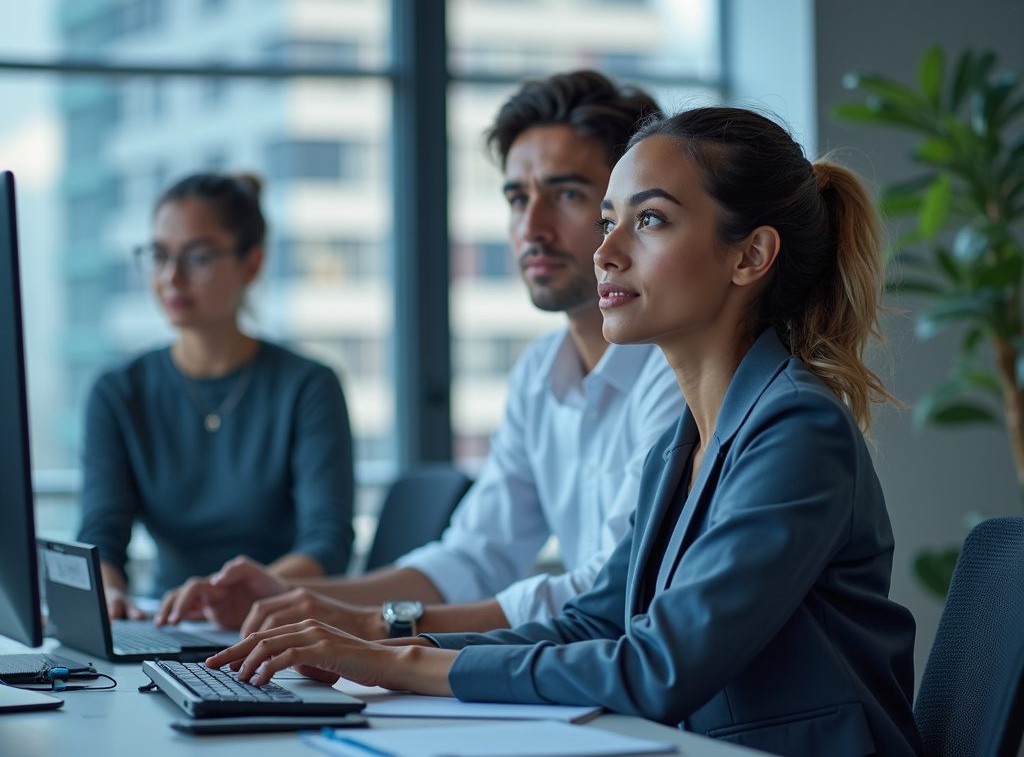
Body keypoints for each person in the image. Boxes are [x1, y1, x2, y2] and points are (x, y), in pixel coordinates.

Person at [208, 107, 924, 756]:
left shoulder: (796, 428)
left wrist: (396, 663)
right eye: (609, 220)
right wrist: (394, 641)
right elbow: (592, 623)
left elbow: (658, 667)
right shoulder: (685, 434)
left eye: (650, 221)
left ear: (750, 256)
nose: (606, 252)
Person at [157, 70, 683, 638]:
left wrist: (379, 627)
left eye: (568, 195)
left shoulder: (675, 371)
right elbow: (472, 559)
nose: (532, 227)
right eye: (516, 198)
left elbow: (607, 592)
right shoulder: (539, 371)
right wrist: (289, 596)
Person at [78, 172, 356, 619]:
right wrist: (107, 595)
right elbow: (101, 536)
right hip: (164, 622)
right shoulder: (118, 391)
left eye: (198, 257)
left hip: (277, 624)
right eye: (159, 255)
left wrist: (243, 594)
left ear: (252, 264)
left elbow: (328, 543)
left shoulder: (308, 386)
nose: (172, 277)